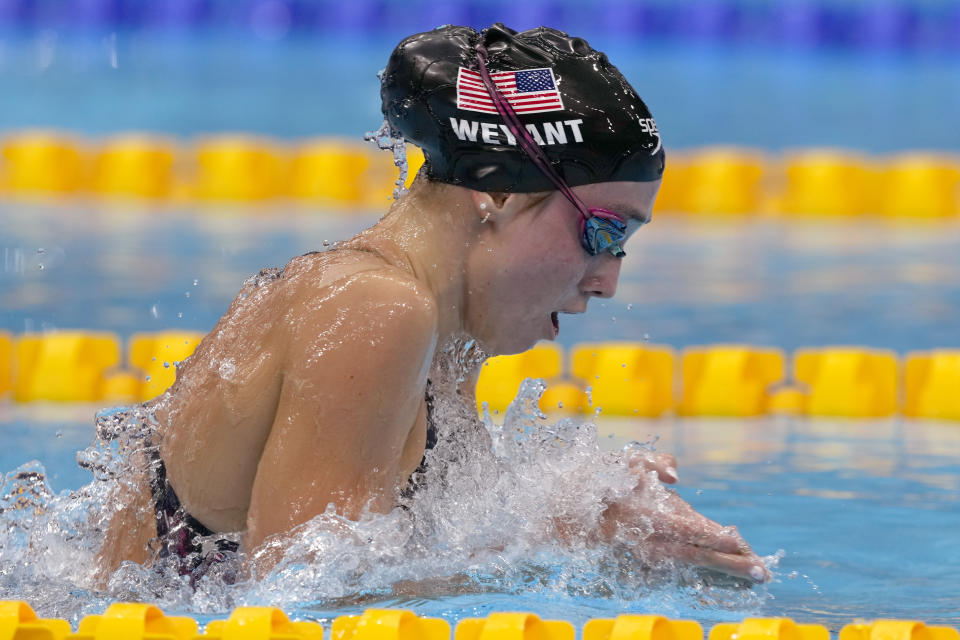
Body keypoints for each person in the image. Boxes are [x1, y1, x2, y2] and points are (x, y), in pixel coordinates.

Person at [98, 23, 770, 585]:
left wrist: (594, 502)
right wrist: (569, 532)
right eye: (604, 231)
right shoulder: (374, 306)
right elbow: (297, 597)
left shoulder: (445, 335)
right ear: (502, 194)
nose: (608, 280)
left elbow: (393, 552)